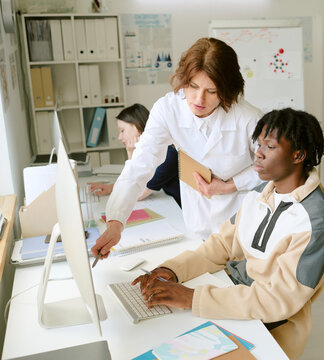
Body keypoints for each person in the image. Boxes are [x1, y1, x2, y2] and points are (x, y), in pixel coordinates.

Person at [133, 108, 324, 359]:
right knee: (148, 338)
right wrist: (173, 270)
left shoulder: (316, 224)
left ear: (298, 155)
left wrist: (192, 298)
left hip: (271, 325)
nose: (259, 153)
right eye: (259, 144)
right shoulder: (260, 193)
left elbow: (277, 301)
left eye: (270, 146)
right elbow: (222, 246)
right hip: (234, 295)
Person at [91, 37, 262, 260]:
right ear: (184, 80)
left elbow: (273, 167)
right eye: (193, 86)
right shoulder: (168, 109)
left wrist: (230, 185)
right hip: (197, 224)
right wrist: (116, 222)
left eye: (211, 91)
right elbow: (141, 164)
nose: (199, 99)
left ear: (226, 90)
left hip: (240, 225)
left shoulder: (248, 118)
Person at [89, 104, 182, 207]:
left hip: (183, 213)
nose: (120, 137)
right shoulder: (149, 150)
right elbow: (135, 180)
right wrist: (110, 187)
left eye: (122, 130)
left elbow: (137, 194)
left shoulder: (167, 153)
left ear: (137, 127)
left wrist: (131, 153)